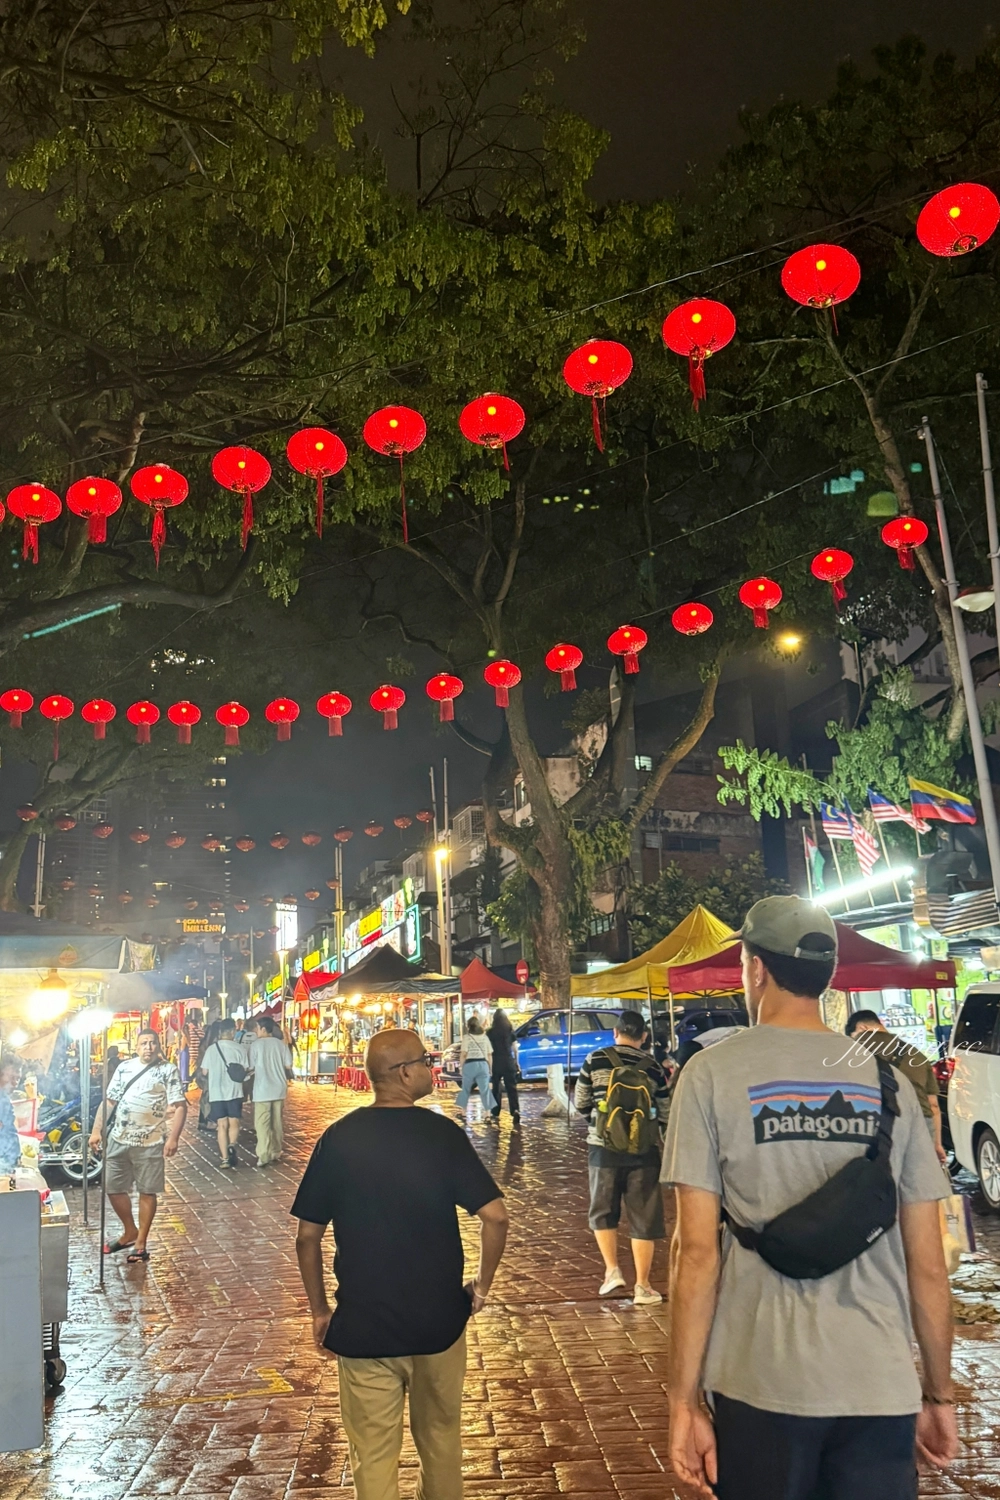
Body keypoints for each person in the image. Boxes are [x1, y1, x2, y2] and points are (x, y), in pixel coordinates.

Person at [664, 895, 958, 1500]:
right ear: (826, 977)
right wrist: (938, 1392)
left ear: (754, 967)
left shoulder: (710, 1076)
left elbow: (695, 1255)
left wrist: (683, 1400)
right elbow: (928, 1264)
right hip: (878, 1386)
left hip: (758, 1382)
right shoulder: (891, 1083)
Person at [292, 1028, 508, 1500]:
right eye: (425, 1060)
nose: (431, 1067)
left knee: (371, 1456)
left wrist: (319, 1310)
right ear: (404, 1072)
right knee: (442, 1445)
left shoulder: (339, 1138)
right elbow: (495, 1217)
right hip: (439, 1322)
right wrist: (483, 1286)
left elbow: (307, 1237)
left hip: (365, 1324)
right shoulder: (441, 1135)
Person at [574, 1009, 670, 1304]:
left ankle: (612, 1271)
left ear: (615, 1033)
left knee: (602, 1210)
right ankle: (643, 1286)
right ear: (643, 1037)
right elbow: (666, 1111)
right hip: (643, 1151)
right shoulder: (653, 1067)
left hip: (603, 1148)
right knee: (643, 1216)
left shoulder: (595, 1059)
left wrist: (601, 1124)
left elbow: (580, 1102)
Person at [90, 1028, 187, 1264]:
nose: (148, 1047)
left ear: (159, 1045)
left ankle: (141, 1242)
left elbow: (180, 1105)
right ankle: (129, 1230)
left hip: (150, 1141)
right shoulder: (124, 1068)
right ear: (136, 1046)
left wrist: (173, 1138)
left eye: (152, 1043)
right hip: (118, 1137)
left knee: (147, 1190)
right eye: (144, 1043)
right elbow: (109, 1100)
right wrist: (96, 1131)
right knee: (113, 1187)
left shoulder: (167, 1070)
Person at [846, 1009, 947, 1165]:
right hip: (919, 1126)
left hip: (872, 1127)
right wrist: (937, 1144)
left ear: (861, 1028)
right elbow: (933, 1105)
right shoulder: (917, 1055)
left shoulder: (849, 1053)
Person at [199, 1019, 246, 1169]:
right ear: (233, 1031)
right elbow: (246, 1069)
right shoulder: (239, 1048)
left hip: (216, 1092)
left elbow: (204, 1071)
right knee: (234, 1122)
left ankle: (225, 1158)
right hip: (234, 1091)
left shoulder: (212, 1049)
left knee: (222, 1125)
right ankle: (232, 1144)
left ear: (220, 1032)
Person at [248, 1016, 292, 1167]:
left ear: (263, 1028)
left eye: (257, 1028)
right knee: (277, 1121)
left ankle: (264, 1154)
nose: (256, 1031)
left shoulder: (256, 1045)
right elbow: (288, 1065)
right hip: (279, 1088)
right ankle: (276, 1151)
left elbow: (251, 1066)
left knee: (262, 1123)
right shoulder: (281, 1045)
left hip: (262, 1089)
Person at [454, 1015, 495, 1116]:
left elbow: (463, 1054)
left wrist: (460, 1067)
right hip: (483, 1064)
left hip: (470, 1065)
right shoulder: (485, 1038)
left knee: (466, 1089)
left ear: (468, 1026)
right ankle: (488, 1113)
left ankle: (463, 1112)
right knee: (485, 1090)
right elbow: (489, 1054)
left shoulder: (467, 1038)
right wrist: (490, 1068)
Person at [487, 1008, 520, 1122]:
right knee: (512, 1088)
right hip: (508, 1061)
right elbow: (515, 1049)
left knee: (496, 1088)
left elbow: (488, 1051)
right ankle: (515, 1110)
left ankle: (495, 1112)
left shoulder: (490, 1032)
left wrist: (488, 1065)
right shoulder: (510, 1031)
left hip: (496, 1062)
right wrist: (516, 1062)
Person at [0, 1055, 22, 1175]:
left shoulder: (4, 1098)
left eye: (18, 1079)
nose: (15, 1083)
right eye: (11, 1078)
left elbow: (8, 1131)